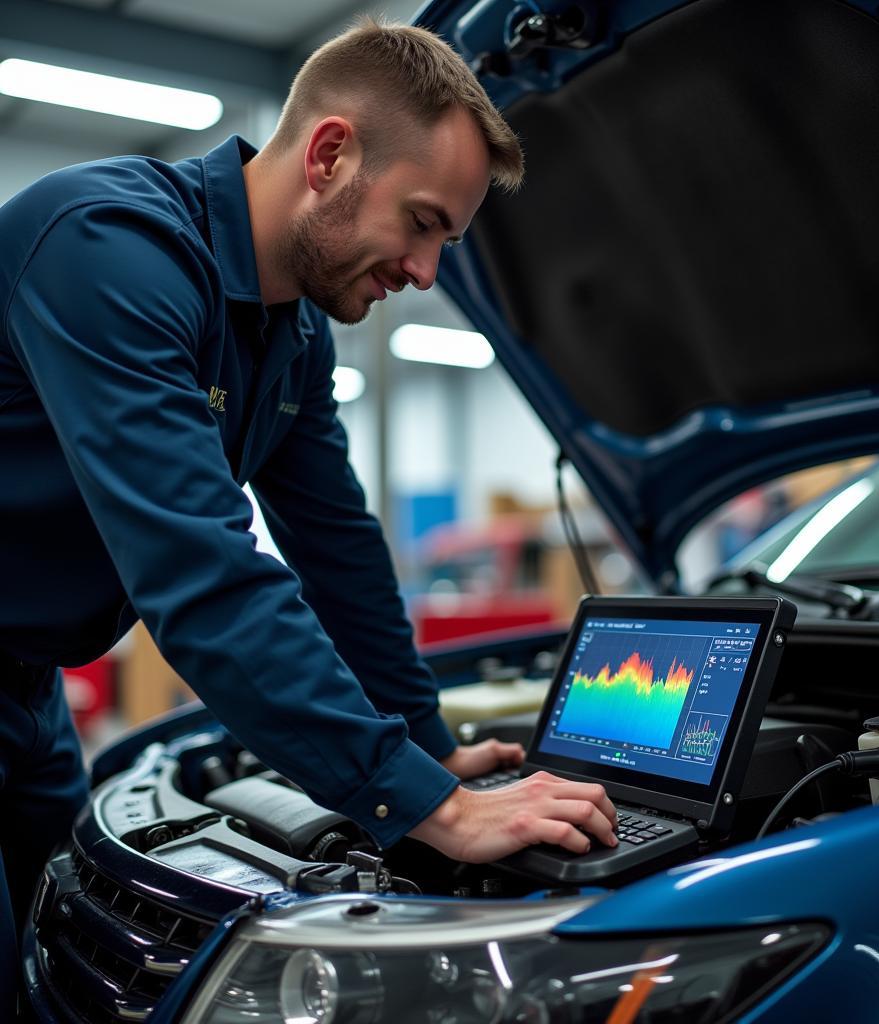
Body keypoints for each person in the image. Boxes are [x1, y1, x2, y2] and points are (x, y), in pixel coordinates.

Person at [0, 18, 617, 1015]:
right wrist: (433, 808)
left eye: (445, 244)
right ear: (329, 155)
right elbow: (203, 579)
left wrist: (429, 746)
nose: (424, 272)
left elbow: (341, 556)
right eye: (421, 224)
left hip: (26, 691)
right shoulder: (107, 248)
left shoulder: (290, 340)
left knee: (59, 958)